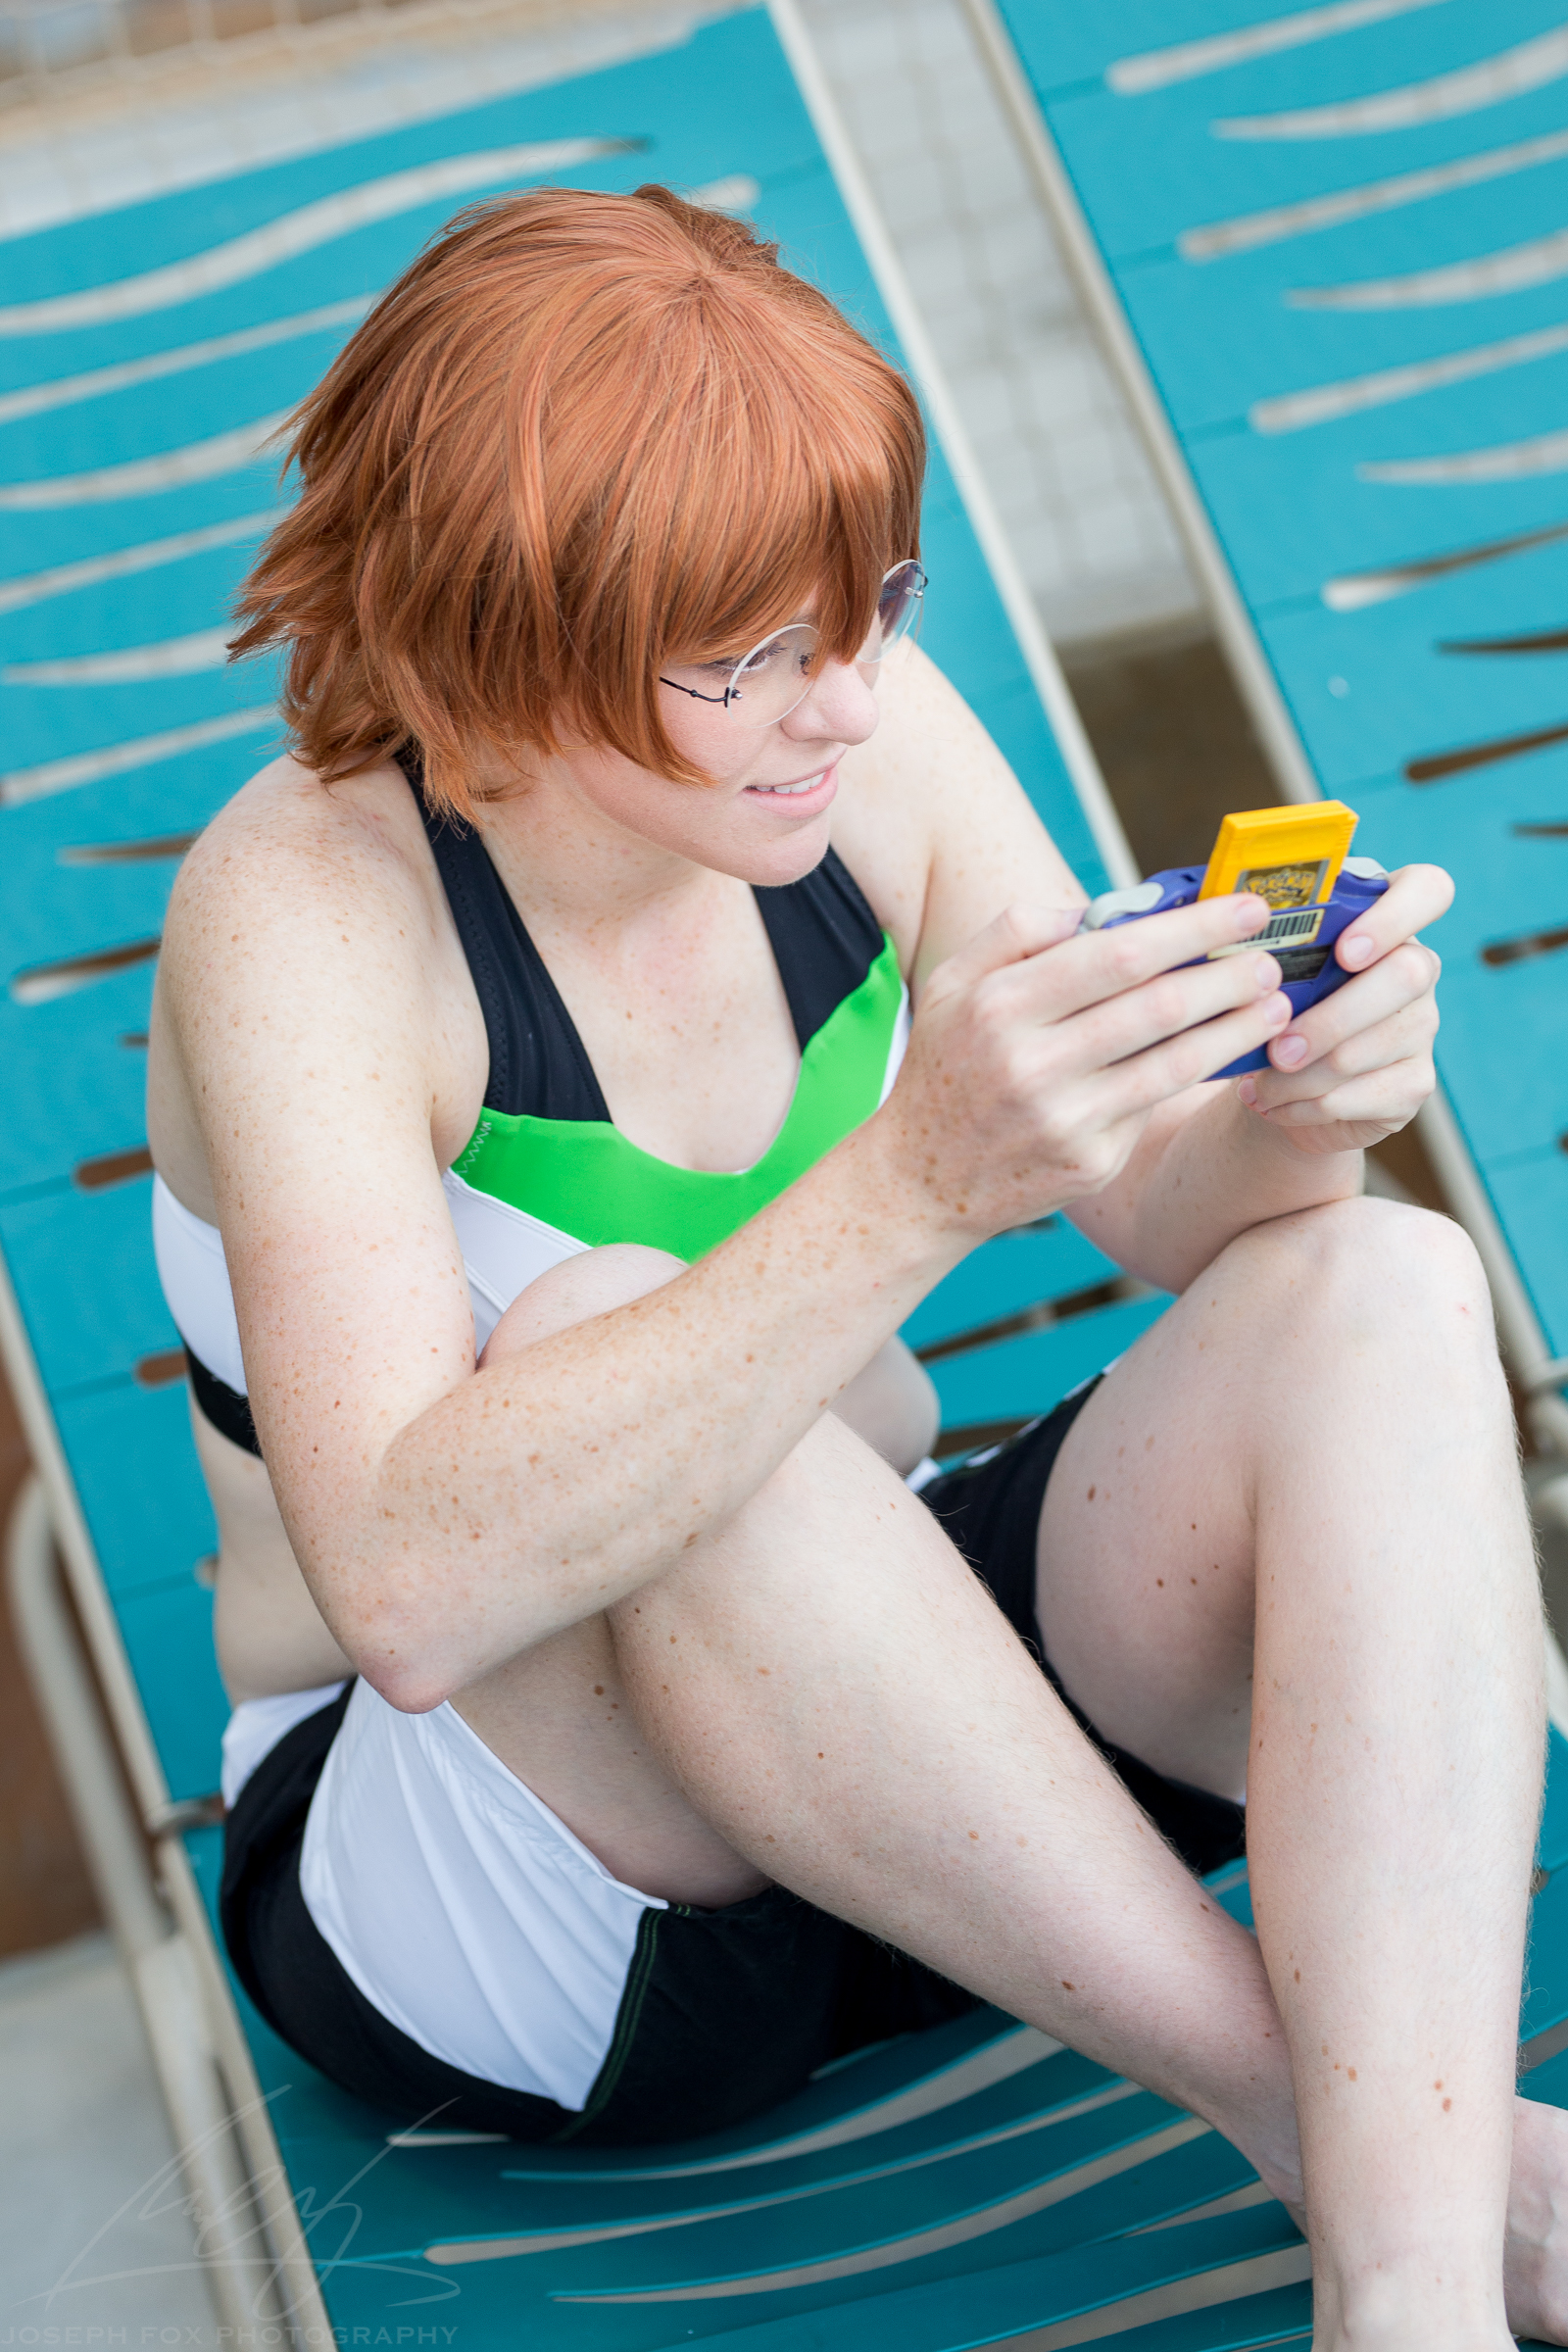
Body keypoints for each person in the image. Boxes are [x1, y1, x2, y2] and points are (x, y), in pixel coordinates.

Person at [145, 183, 1566, 2348]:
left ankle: (1415, 2296)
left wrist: (1303, 1104)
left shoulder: (861, 747)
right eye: (746, 657)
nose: (845, 701)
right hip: (530, 1897)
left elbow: (1169, 1214)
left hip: (931, 1765)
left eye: (874, 605)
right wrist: (917, 1179)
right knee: (618, 1356)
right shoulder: (308, 909)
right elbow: (408, 1593)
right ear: (499, 629)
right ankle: (1384, 2145)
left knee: (1383, 1285)